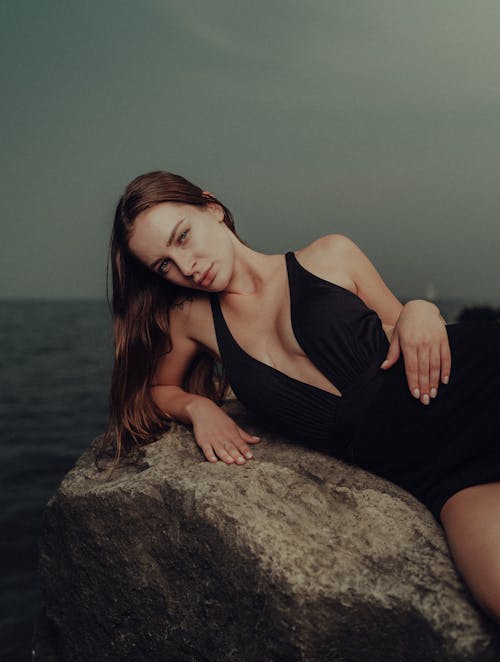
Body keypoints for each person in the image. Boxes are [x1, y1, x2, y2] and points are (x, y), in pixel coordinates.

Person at [99, 169, 500, 624]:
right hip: (442, 475)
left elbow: (406, 330)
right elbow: (154, 390)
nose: (187, 265)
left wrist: (421, 309)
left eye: (183, 236)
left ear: (211, 207)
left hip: (476, 386)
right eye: (164, 264)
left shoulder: (331, 253)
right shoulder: (192, 320)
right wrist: (198, 407)